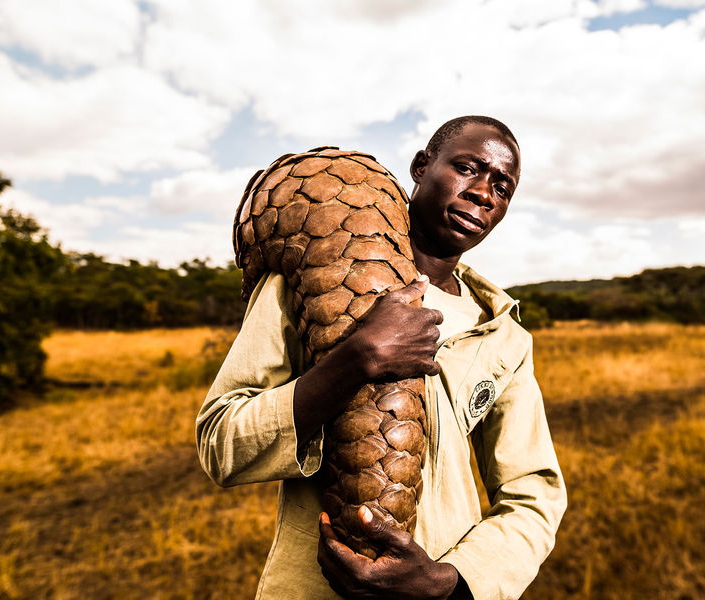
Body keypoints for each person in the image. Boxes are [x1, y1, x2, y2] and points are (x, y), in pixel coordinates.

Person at [196, 116, 566, 600]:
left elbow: (533, 493)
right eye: (468, 168)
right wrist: (355, 359)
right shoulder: (312, 274)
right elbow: (221, 442)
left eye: (502, 187)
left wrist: (450, 583)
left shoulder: (502, 334)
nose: (484, 194)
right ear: (421, 166)